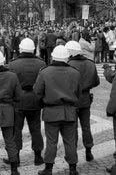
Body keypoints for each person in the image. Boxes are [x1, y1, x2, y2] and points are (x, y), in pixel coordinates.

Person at [34, 45, 81, 175]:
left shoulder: (44, 72)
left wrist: (43, 103)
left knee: (51, 142)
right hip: (69, 111)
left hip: (51, 111)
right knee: (70, 142)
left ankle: (48, 169)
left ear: (53, 56)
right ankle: (73, 169)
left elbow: (37, 92)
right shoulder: (75, 72)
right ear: (67, 58)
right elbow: (78, 93)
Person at [6, 38, 45, 166]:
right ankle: (38, 157)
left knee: (16, 130)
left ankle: (15, 158)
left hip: (18, 100)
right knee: (36, 129)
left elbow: (9, 85)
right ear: (33, 49)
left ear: (21, 49)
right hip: (35, 99)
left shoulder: (13, 64)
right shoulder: (41, 63)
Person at [66, 40, 100, 162]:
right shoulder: (90, 63)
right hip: (85, 99)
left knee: (72, 128)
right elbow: (96, 82)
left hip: (72, 99)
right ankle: (88, 150)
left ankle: (73, 151)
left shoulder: (68, 64)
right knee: (86, 126)